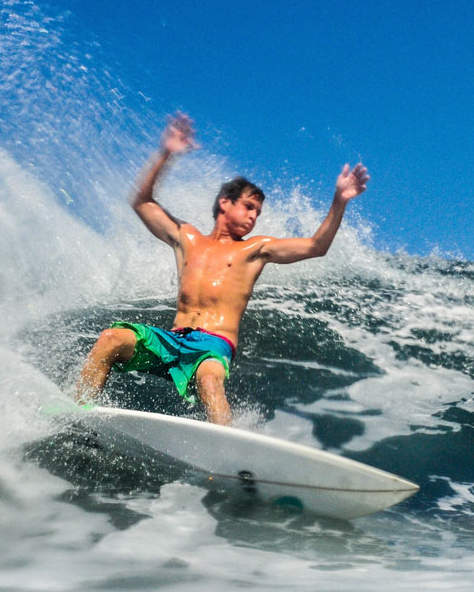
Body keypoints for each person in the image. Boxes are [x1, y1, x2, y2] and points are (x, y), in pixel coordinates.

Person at [72, 113, 369, 425]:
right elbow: (142, 203)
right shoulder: (188, 239)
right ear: (225, 203)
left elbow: (315, 247)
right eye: (249, 207)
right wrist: (166, 153)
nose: (254, 217)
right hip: (173, 340)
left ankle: (227, 456)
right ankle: (78, 418)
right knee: (111, 338)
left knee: (208, 380)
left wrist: (340, 201)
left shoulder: (254, 249)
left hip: (213, 345)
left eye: (258, 212)